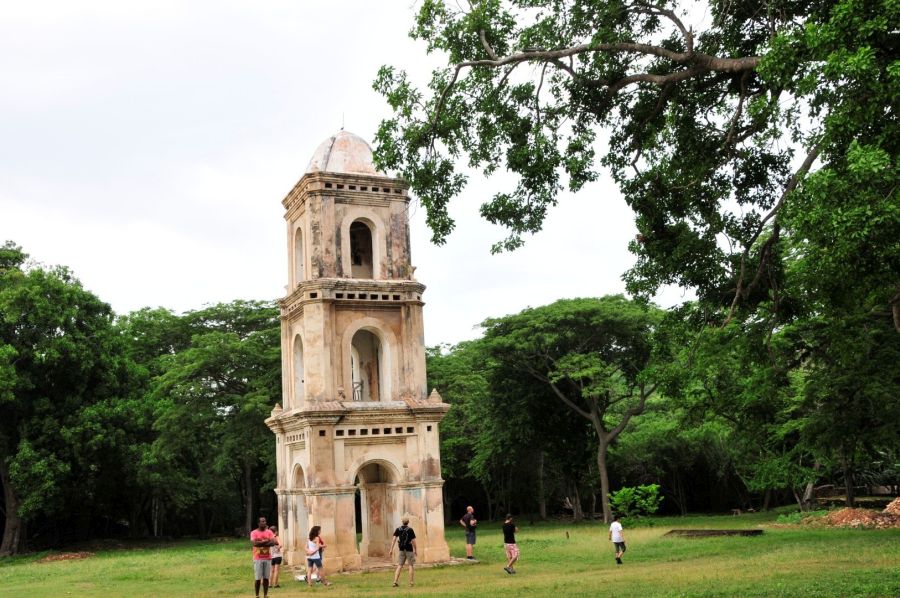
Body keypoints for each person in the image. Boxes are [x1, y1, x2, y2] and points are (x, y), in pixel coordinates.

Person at [250, 516, 276, 598]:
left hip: (267, 558)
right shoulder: (254, 533)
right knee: (258, 578)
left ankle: (265, 595)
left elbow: (273, 543)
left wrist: (261, 542)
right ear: (258, 523)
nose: (264, 523)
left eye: (265, 521)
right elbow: (254, 544)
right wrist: (266, 541)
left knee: (266, 578)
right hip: (257, 558)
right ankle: (257, 595)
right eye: (262, 521)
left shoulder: (269, 532)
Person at [389, 516, 417, 587]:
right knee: (410, 565)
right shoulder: (410, 530)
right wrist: (415, 550)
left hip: (401, 549)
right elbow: (413, 541)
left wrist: (391, 549)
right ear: (408, 522)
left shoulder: (398, 529)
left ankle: (395, 582)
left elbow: (394, 539)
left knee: (400, 565)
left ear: (402, 522)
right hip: (409, 549)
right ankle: (411, 582)